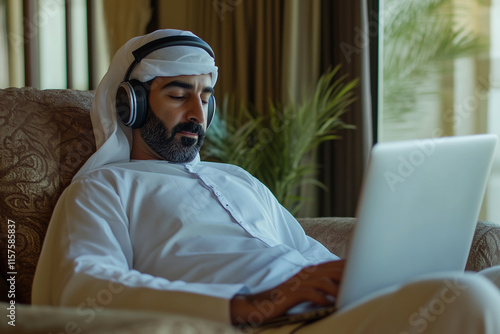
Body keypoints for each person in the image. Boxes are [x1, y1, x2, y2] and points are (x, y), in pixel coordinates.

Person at [32, 29, 500, 333]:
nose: (199, 114)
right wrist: (251, 302)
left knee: (492, 282)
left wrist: (364, 278)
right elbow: (88, 289)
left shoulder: (238, 179)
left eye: (206, 97)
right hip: (265, 326)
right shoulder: (103, 190)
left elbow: (310, 256)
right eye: (178, 94)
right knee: (470, 297)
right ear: (128, 105)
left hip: (328, 315)